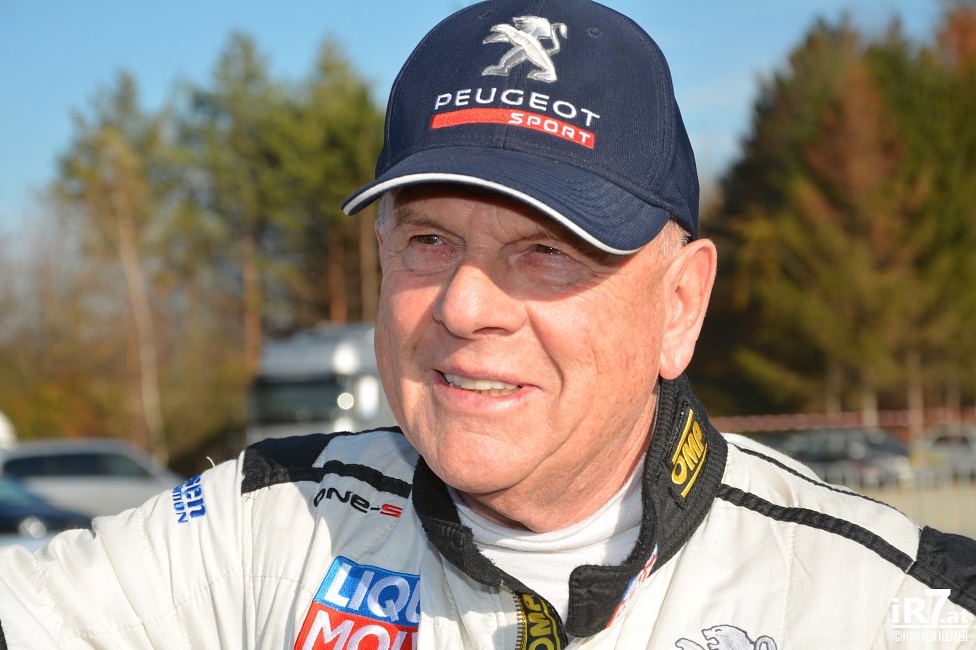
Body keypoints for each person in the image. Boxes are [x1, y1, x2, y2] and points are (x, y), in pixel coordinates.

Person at [1, 0, 974, 647]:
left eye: (548, 249)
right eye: (428, 240)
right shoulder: (260, 528)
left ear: (678, 304)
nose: (464, 306)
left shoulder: (883, 603)